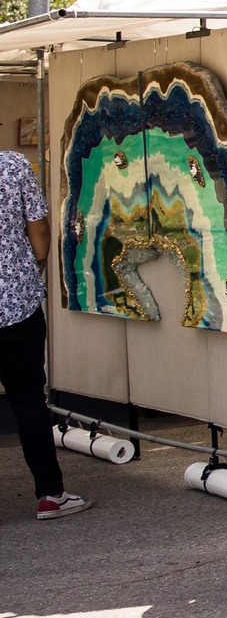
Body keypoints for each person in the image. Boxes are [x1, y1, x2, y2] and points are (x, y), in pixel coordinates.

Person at [0, 149, 87, 521]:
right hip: (15, 304)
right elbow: (38, 229)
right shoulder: (14, 165)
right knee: (28, 399)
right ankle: (50, 494)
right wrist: (33, 259)